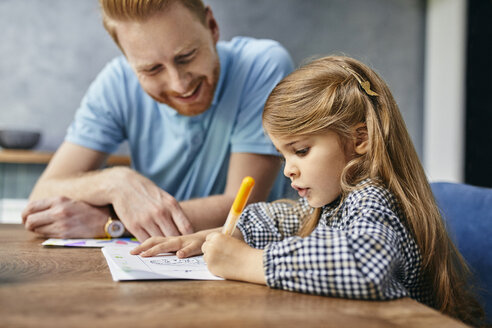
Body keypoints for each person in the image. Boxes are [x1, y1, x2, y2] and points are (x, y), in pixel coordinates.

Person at [131, 55, 485, 326]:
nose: (289, 168)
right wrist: (229, 232)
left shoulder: (372, 196)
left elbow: (368, 264)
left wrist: (249, 262)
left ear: (359, 138)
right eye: (283, 154)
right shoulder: (338, 199)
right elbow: (288, 216)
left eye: (300, 151)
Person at [21, 0, 294, 241]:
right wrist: (115, 182)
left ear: (211, 26)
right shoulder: (116, 84)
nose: (179, 84)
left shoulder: (262, 65)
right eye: (151, 69)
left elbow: (242, 204)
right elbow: (42, 195)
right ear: (129, 62)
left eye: (186, 56)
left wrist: (114, 224)